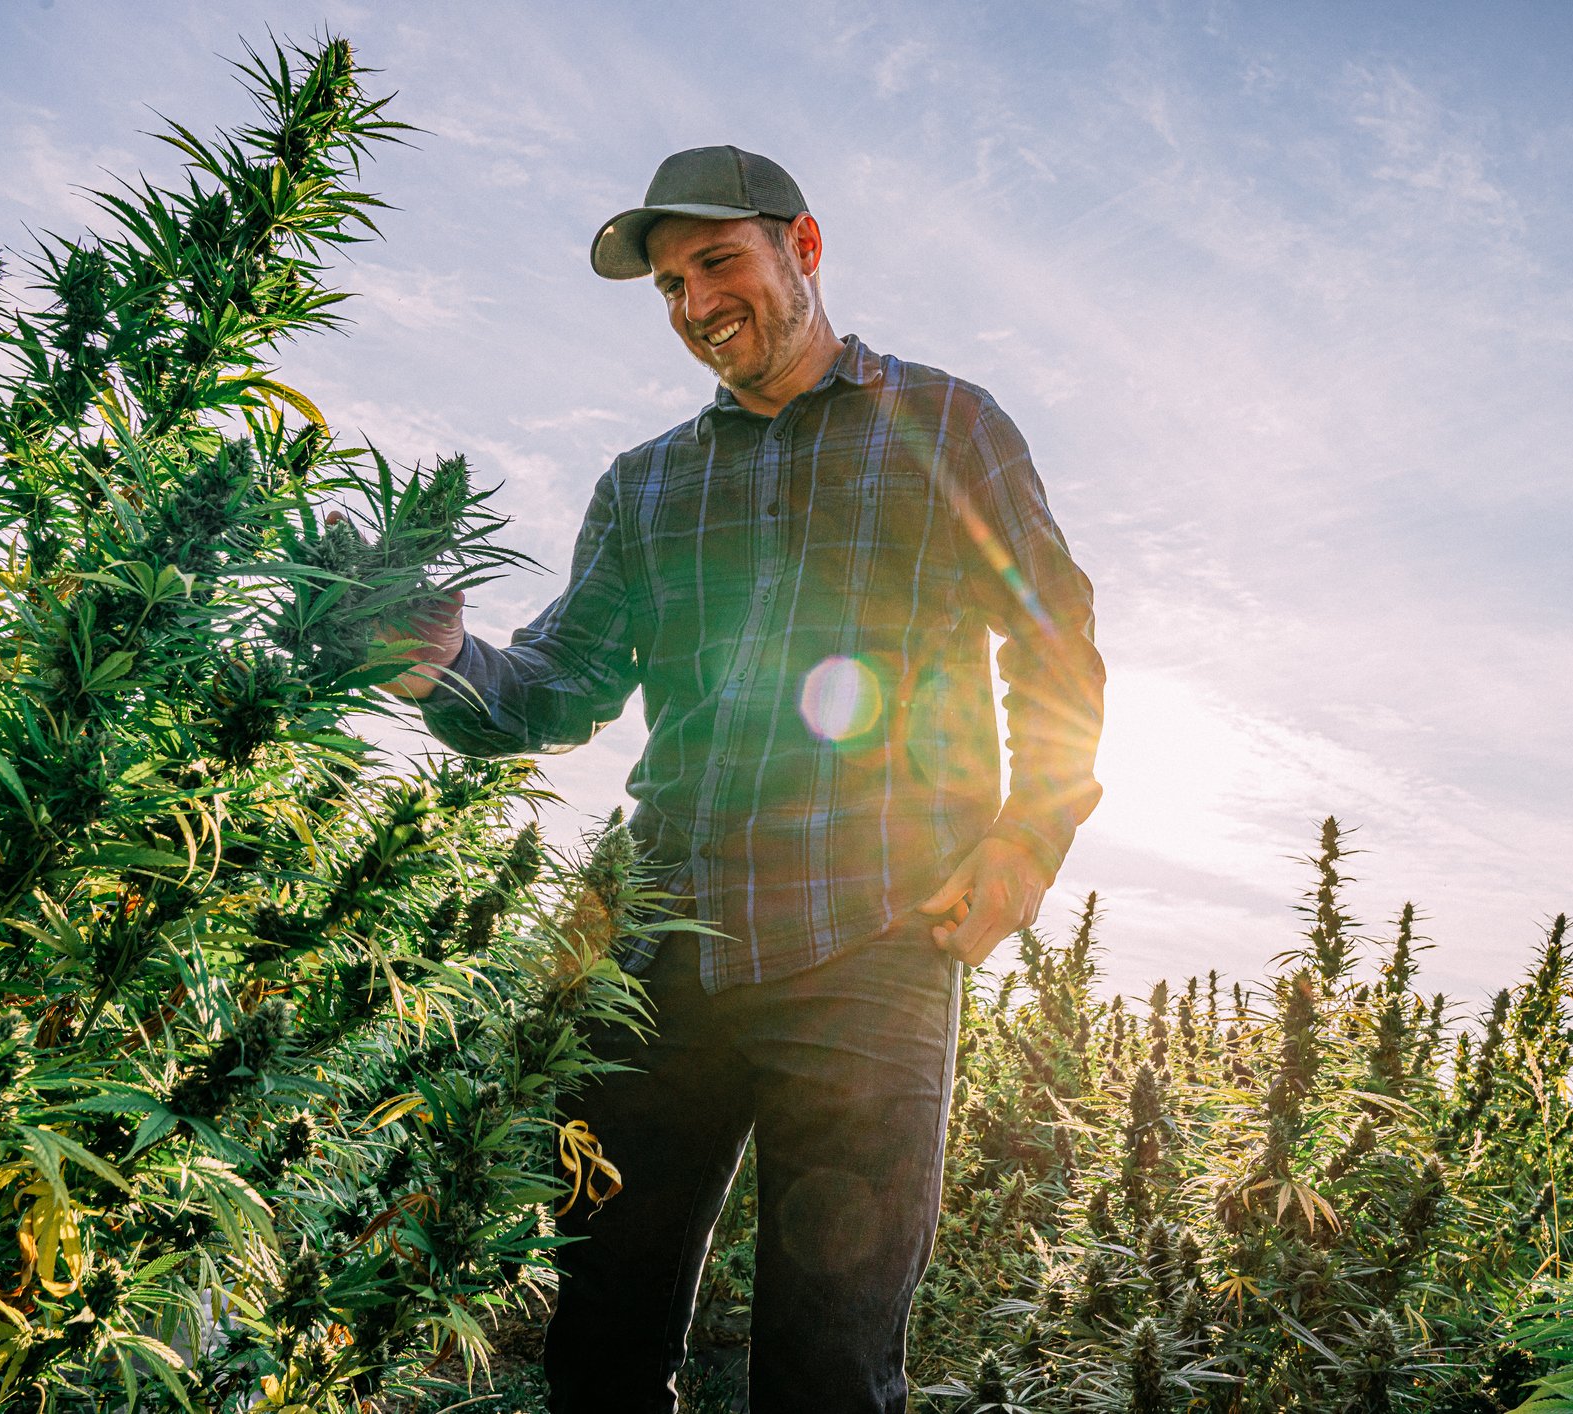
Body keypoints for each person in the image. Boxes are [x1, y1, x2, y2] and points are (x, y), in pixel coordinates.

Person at [384, 144, 1105, 1413]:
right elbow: (556, 684)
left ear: (803, 246)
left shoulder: (948, 426)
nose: (693, 301)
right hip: (659, 944)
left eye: (717, 261)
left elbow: (1055, 645)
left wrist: (1025, 841)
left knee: (827, 1364)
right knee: (598, 1336)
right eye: (667, 284)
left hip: (873, 937)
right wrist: (439, 663)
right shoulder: (645, 483)